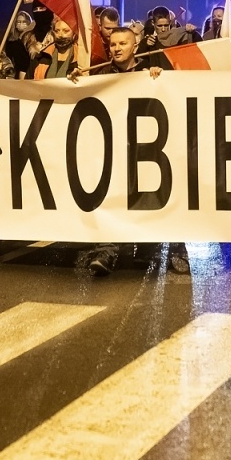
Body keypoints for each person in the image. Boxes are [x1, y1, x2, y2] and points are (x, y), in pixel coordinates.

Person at [81, 27, 187, 276]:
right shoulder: (100, 75)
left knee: (150, 196)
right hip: (114, 149)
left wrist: (159, 79)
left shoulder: (148, 72)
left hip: (147, 148)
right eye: (113, 44)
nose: (116, 48)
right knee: (111, 197)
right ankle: (106, 249)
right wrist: (74, 80)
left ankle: (155, 247)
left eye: (122, 44)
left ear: (135, 47)